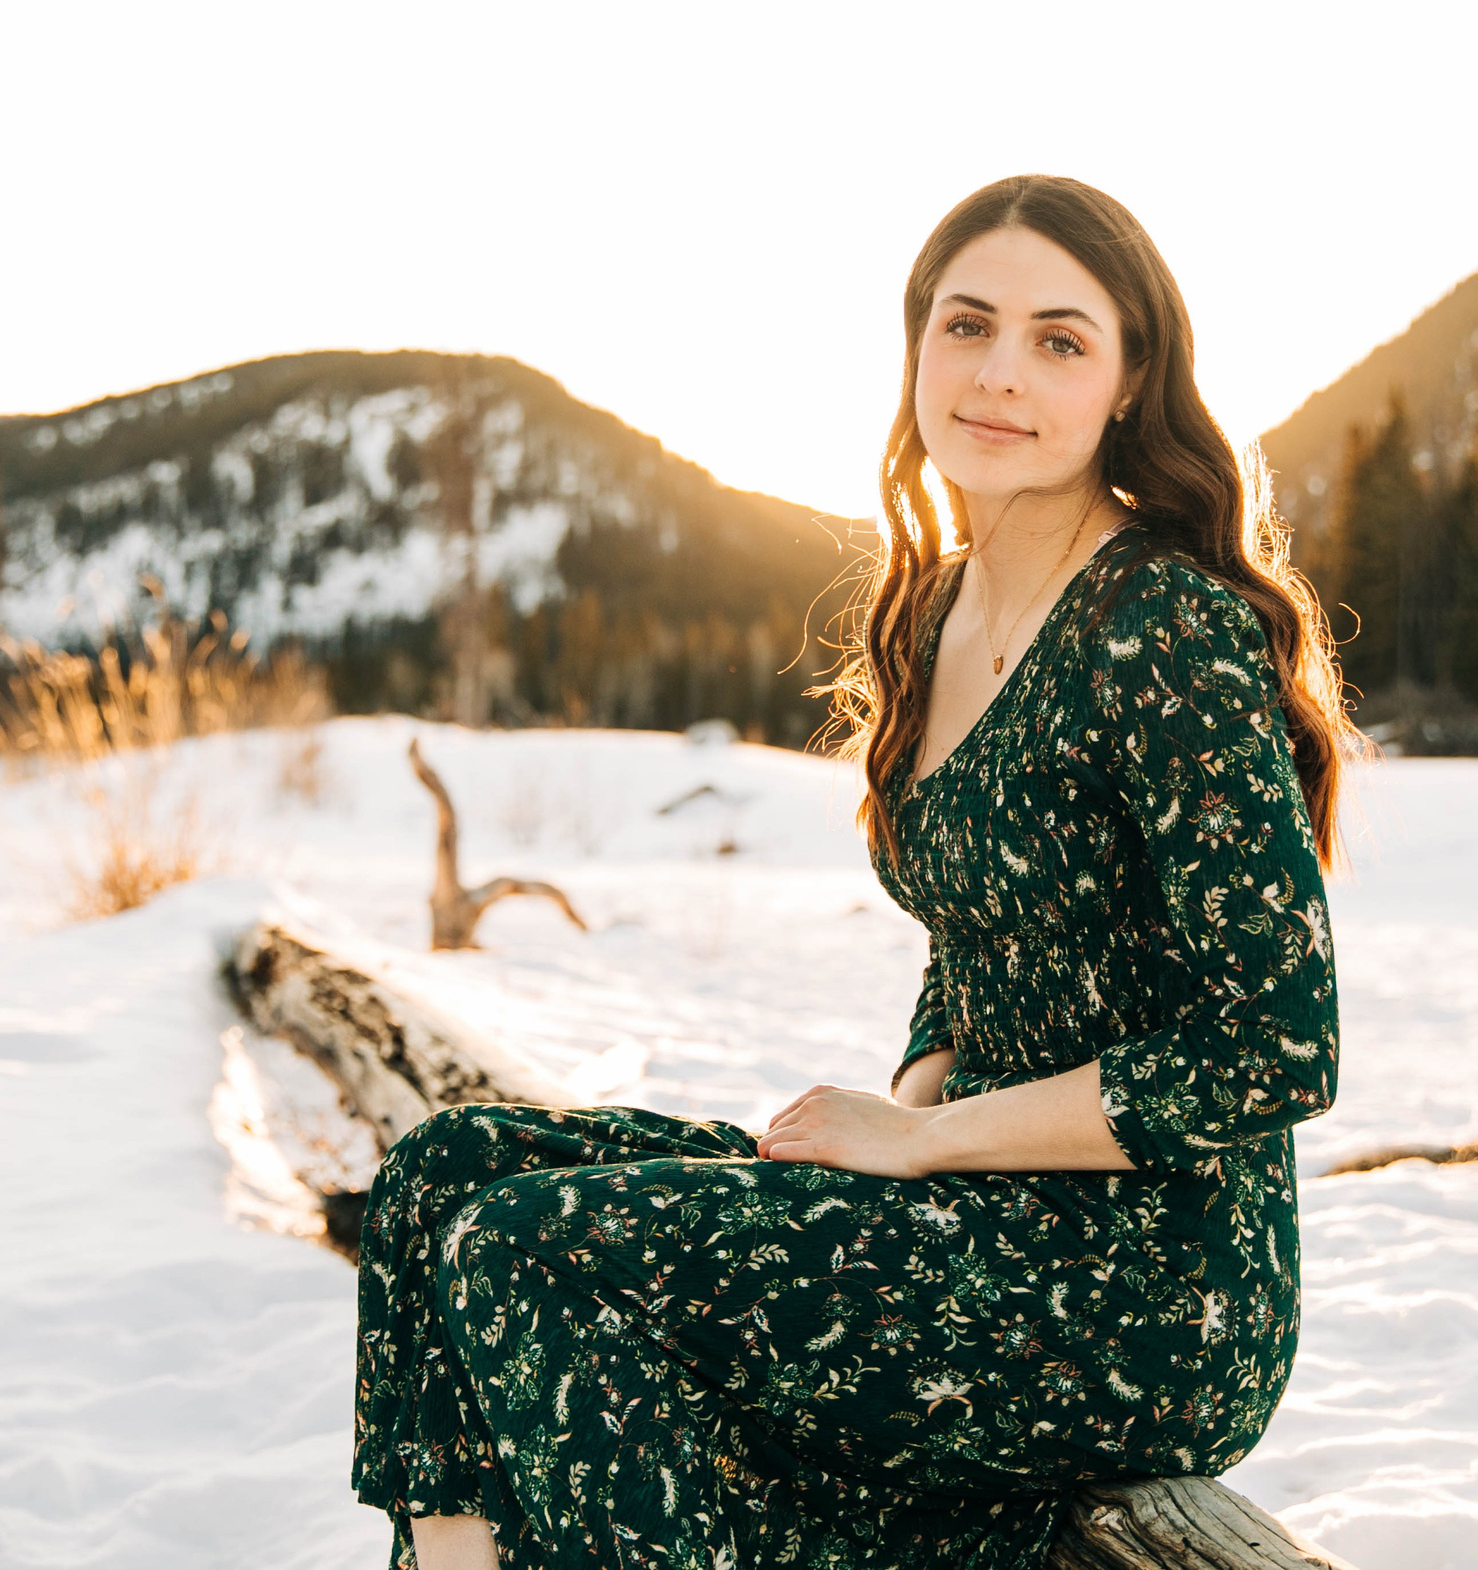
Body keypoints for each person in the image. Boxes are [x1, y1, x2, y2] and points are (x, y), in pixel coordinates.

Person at [353, 173, 1355, 1569]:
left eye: (1061, 341)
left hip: (1140, 1284)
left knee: (540, 1245)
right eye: (968, 326)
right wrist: (922, 1099)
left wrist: (930, 1141)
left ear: (1129, 386)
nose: (1002, 374)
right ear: (916, 346)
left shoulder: (1162, 626)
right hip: (971, 1213)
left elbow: (1279, 1047)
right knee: (447, 1174)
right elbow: (977, 935)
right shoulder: (937, 608)